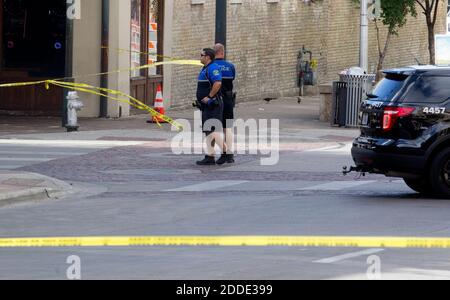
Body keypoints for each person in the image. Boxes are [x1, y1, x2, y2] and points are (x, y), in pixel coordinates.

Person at [195, 48, 225, 166]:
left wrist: (209, 96)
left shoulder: (213, 68)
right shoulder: (206, 68)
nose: (200, 57)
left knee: (213, 131)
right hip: (207, 106)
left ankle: (226, 152)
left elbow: (218, 83)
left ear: (207, 57)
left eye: (201, 55)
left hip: (213, 105)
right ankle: (210, 156)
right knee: (208, 130)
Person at [213, 43, 236, 165]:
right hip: (228, 100)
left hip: (217, 100)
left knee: (215, 127)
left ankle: (223, 153)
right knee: (228, 127)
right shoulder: (230, 66)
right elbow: (232, 80)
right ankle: (230, 154)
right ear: (223, 52)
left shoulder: (212, 67)